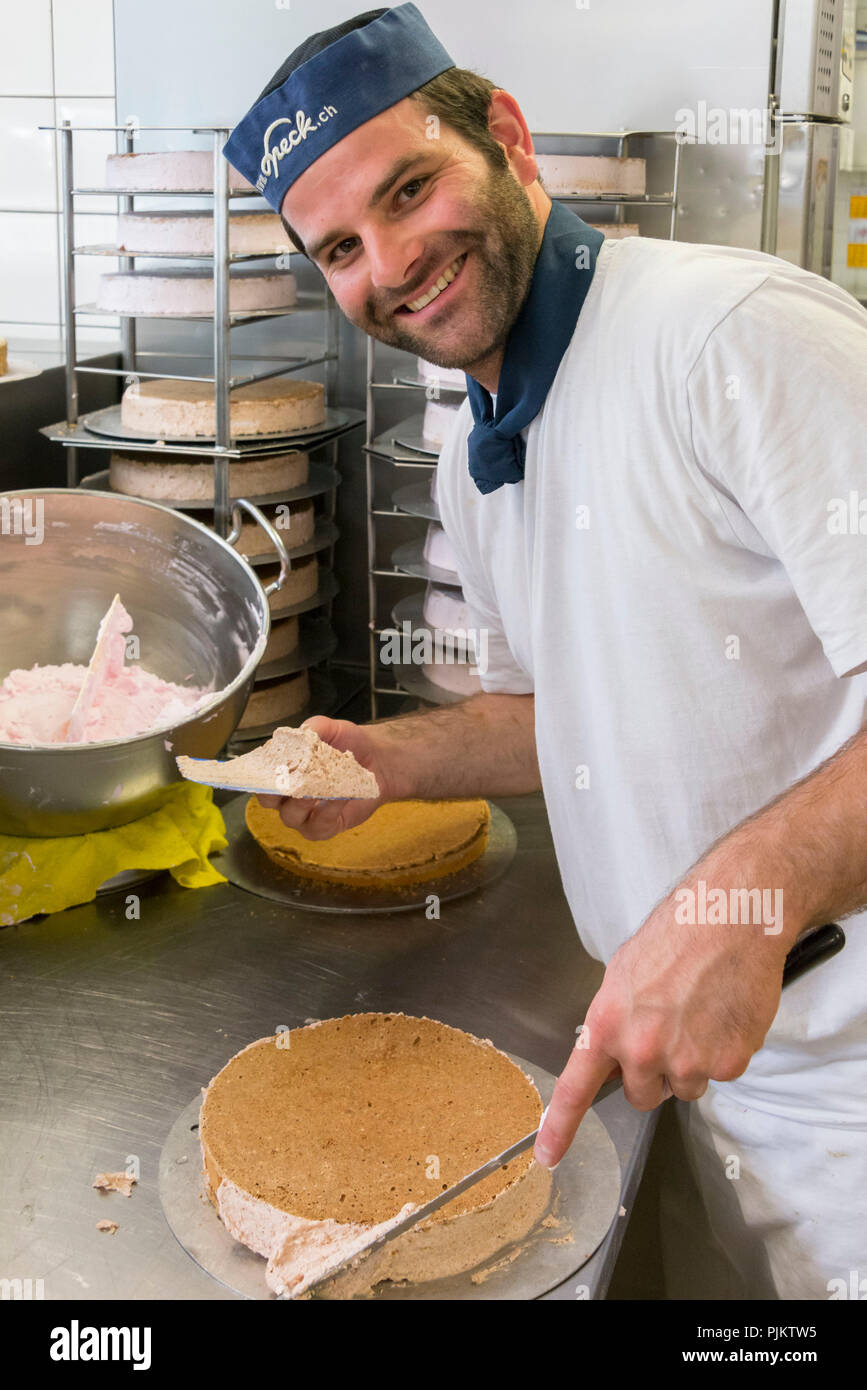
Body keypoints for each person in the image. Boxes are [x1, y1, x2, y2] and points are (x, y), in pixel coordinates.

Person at [224, 4, 867, 1298]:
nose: (391, 262)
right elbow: (562, 706)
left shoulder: (732, 336)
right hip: (674, 1064)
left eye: (411, 189)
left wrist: (737, 898)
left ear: (505, 137)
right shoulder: (480, 456)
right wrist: (389, 759)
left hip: (847, 1078)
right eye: (341, 246)